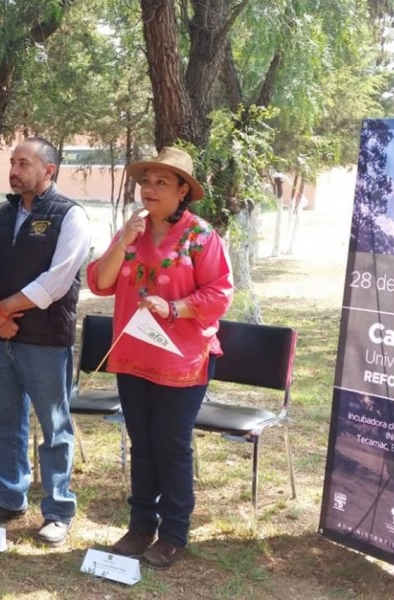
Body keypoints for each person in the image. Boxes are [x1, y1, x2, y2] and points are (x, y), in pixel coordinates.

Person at [86, 146, 233, 568]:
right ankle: (139, 527)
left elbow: (220, 294)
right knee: (142, 443)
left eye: (161, 183)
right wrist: (123, 241)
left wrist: (174, 308)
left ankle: (173, 533)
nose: (149, 189)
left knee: (169, 444)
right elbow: (99, 281)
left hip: (182, 361)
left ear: (183, 191)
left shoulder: (200, 236)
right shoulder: (130, 230)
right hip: (132, 355)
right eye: (146, 181)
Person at [0, 136, 91, 546]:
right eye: (13, 162)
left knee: (54, 428)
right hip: (0, 339)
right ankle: (8, 498)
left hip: (45, 340)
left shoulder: (70, 216)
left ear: (48, 171)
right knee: (3, 421)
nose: (15, 170)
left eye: (24, 163)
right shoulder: (0, 214)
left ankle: (58, 510)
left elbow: (57, 280)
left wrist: (3, 308)